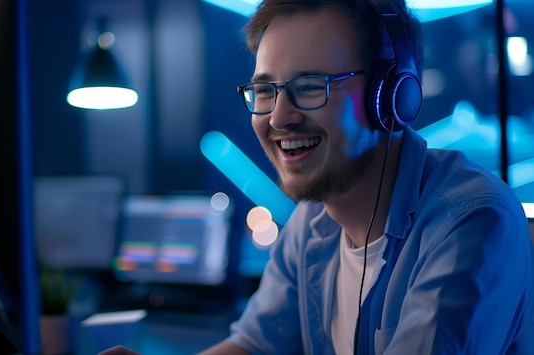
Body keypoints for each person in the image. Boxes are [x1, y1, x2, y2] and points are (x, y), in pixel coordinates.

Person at [100, 0, 534, 354]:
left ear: (389, 96)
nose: (278, 117)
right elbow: (254, 345)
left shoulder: (473, 222)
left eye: (310, 85)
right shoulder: (311, 226)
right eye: (265, 90)